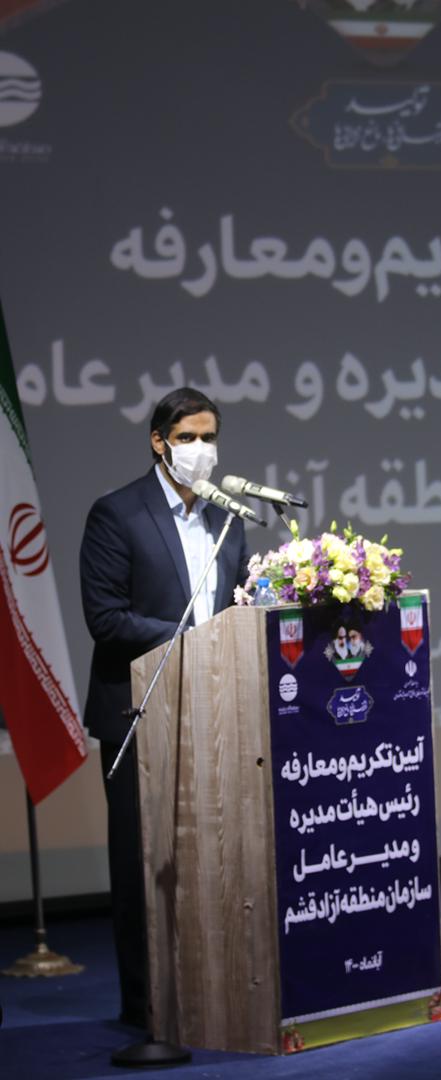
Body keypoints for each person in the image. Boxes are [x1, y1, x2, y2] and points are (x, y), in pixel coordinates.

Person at [79, 387, 248, 1028]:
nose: (201, 449)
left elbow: (235, 604)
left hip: (214, 712)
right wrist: (191, 639)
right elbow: (106, 619)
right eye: (187, 438)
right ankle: (146, 1006)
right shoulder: (117, 514)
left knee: (213, 857)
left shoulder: (226, 517)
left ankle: (211, 992)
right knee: (143, 865)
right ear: (159, 442)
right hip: (139, 713)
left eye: (209, 437)